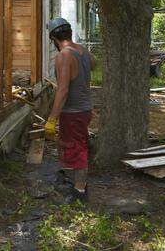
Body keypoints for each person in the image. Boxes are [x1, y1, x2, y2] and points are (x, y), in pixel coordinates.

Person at [44, 17, 95, 203]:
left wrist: (52, 118)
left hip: (73, 111)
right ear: (70, 33)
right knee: (72, 145)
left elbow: (63, 90)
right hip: (85, 108)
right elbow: (93, 64)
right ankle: (73, 181)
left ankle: (80, 192)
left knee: (77, 148)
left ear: (54, 38)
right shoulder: (82, 51)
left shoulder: (64, 55)